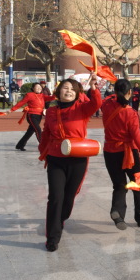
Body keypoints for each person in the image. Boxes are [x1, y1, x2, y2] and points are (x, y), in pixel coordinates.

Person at [38, 76, 102, 251]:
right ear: (59, 91)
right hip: (55, 158)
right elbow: (46, 133)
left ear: (77, 93)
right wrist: (43, 151)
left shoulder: (82, 109)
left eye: (73, 89)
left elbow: (96, 104)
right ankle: (52, 238)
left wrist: (94, 88)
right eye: (65, 88)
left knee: (69, 197)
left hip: (77, 159)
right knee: (55, 197)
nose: (68, 91)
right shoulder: (51, 111)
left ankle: (60, 219)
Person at [101, 79, 140, 229]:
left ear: (115, 91)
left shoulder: (106, 106)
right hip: (129, 153)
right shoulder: (130, 113)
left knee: (119, 185)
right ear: (130, 92)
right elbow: (138, 138)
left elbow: (104, 100)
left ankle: (117, 212)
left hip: (110, 151)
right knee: (137, 184)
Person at [11, 83, 55, 151]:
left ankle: (20, 145)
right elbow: (21, 103)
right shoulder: (29, 95)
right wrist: (11, 110)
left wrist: (56, 93)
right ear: (33, 88)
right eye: (37, 87)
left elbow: (51, 98)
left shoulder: (42, 95)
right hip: (31, 115)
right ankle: (44, 146)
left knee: (30, 131)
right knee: (38, 130)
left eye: (40, 87)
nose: (39, 88)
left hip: (39, 115)